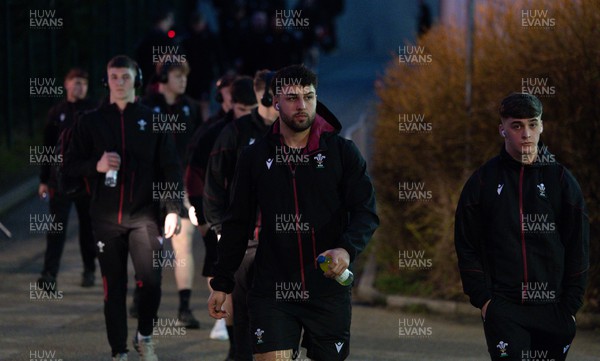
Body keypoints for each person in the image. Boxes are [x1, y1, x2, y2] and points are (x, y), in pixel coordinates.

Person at [207, 64, 379, 361]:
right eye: (292, 98)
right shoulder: (256, 157)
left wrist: (346, 250)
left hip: (327, 289)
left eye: (308, 96)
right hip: (273, 288)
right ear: (275, 102)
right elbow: (237, 224)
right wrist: (221, 282)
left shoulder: (342, 152)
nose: (302, 105)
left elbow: (366, 212)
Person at [454, 93, 589, 361]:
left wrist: (571, 306)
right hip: (505, 307)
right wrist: (484, 300)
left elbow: (579, 246)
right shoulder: (483, 182)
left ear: (541, 126)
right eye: (516, 125)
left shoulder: (561, 180)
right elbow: (465, 243)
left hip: (554, 309)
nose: (526, 133)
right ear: (502, 129)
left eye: (532, 124)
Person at [66, 55, 182, 361]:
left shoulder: (154, 120)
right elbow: (68, 168)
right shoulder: (90, 121)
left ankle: (144, 335)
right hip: (105, 218)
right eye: (114, 77)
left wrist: (172, 208)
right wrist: (97, 166)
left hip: (144, 216)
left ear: (137, 80)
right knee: (112, 288)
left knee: (151, 282)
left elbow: (170, 167)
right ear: (106, 81)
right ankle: (118, 351)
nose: (119, 83)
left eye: (125, 77)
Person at [204, 69, 279, 361]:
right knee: (243, 306)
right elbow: (214, 183)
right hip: (244, 238)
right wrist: (223, 229)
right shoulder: (235, 132)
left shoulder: (291, 133)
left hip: (281, 239)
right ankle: (238, 352)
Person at [186, 75, 257, 355]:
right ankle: (233, 341)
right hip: (222, 221)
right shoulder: (216, 132)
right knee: (224, 277)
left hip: (257, 225)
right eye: (240, 109)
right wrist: (204, 220)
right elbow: (195, 176)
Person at [139, 61, 203, 329]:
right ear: (164, 77)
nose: (183, 81)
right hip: (150, 187)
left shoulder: (191, 107)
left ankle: (184, 306)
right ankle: (140, 293)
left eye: (185, 77)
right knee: (146, 246)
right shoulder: (145, 106)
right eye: (178, 76)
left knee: (183, 244)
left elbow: (198, 144)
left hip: (182, 184)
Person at [37, 68, 97, 291]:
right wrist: (44, 179)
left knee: (87, 227)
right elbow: (47, 147)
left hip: (85, 180)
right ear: (66, 84)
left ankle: (89, 269)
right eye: (76, 82)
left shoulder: (93, 110)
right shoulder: (57, 112)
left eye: (83, 83)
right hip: (59, 180)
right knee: (56, 228)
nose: (79, 87)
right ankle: (49, 274)